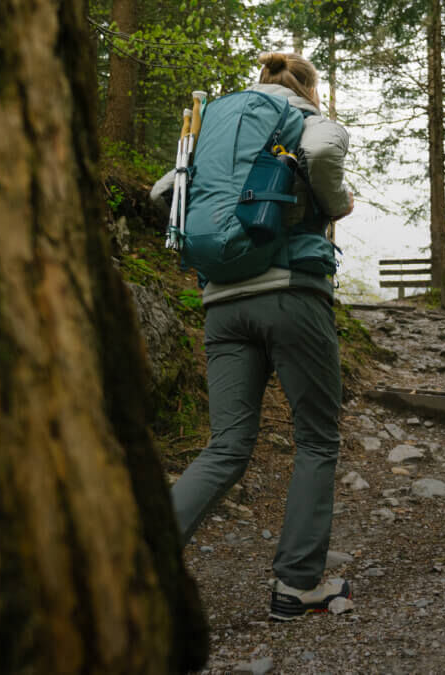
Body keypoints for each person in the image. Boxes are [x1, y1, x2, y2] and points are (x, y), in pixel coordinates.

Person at [166, 52, 355, 621]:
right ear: (308, 87)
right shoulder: (310, 121)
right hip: (291, 291)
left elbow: (163, 192)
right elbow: (322, 156)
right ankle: (296, 585)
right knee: (317, 439)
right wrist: (338, 203)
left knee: (225, 446)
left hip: (221, 305)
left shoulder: (215, 130)